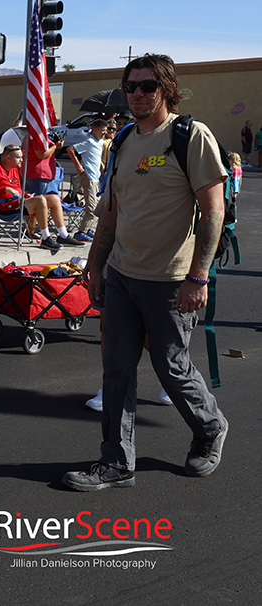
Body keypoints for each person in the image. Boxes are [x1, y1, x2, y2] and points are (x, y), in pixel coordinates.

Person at [62, 54, 228, 491]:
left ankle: (210, 428)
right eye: (131, 86)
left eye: (147, 86)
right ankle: (116, 462)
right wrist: (96, 266)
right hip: (121, 274)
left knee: (171, 367)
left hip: (171, 279)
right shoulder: (122, 142)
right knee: (116, 369)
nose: (137, 94)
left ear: (166, 88)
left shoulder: (188, 135)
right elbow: (111, 213)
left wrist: (198, 277)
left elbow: (214, 210)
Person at [0, 145, 81, 250]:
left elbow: (18, 190)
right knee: (40, 200)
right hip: (4, 206)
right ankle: (46, 237)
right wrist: (6, 189)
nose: (21, 160)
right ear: (8, 157)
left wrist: (26, 195)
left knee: (54, 199)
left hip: (18, 203)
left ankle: (63, 235)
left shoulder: (14, 169)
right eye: (18, 157)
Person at [67, 119, 109, 241]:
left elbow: (97, 158)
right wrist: (78, 166)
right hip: (88, 177)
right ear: (95, 130)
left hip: (96, 178)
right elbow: (70, 149)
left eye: (105, 131)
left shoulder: (100, 142)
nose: (104, 133)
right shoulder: (89, 142)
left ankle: (89, 229)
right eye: (102, 131)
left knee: (98, 206)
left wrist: (103, 169)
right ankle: (80, 232)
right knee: (91, 207)